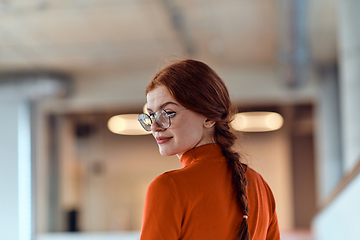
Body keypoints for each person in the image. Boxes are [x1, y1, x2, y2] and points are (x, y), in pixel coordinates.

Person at [137, 59, 280, 240]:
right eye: (151, 115)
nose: (155, 127)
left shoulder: (168, 188)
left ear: (209, 117)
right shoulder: (260, 185)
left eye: (168, 113)